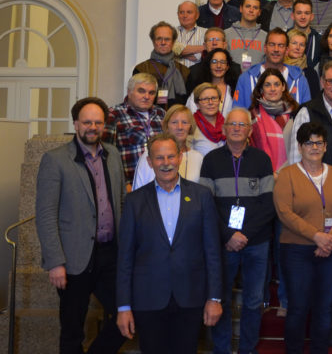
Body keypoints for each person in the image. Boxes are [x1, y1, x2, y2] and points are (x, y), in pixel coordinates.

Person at [115, 133, 223, 354]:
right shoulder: (134, 202)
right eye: (159, 158)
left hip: (190, 298)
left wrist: (214, 298)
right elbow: (125, 258)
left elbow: (212, 252)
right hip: (148, 300)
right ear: (149, 162)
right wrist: (123, 307)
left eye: (171, 156)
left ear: (180, 157)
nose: (166, 163)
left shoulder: (202, 196)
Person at [36, 97, 126, 354]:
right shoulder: (55, 160)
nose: (93, 127)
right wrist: (55, 262)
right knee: (72, 330)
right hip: (73, 258)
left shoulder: (113, 155)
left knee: (128, 314)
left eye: (98, 122)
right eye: (87, 122)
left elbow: (120, 201)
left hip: (110, 255)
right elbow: (45, 214)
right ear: (76, 124)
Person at [199, 108, 276, 354]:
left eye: (242, 125)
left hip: (257, 242)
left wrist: (245, 235)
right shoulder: (211, 161)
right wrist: (229, 235)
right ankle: (221, 349)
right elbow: (206, 205)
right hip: (224, 243)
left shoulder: (262, 159)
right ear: (224, 129)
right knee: (220, 298)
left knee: (253, 301)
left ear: (249, 130)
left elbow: (269, 204)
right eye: (232, 124)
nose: (236, 128)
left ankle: (248, 349)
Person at [273, 122, 332, 354]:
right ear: (300, 146)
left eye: (319, 142)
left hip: (331, 250)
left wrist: (331, 238)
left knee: (323, 306)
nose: (314, 147)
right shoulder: (287, 175)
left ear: (326, 146)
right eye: (309, 142)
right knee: (298, 307)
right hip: (296, 251)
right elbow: (284, 213)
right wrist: (317, 236)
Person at [104, 73, 164, 185]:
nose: (146, 96)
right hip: (130, 185)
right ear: (129, 92)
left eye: (151, 93)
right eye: (141, 91)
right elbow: (106, 155)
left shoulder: (161, 114)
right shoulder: (113, 114)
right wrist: (123, 185)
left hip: (161, 184)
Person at [233, 28, 312, 108]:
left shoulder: (300, 80)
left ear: (287, 50)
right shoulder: (245, 78)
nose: (276, 49)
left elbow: (307, 115)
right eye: (272, 44)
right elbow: (236, 112)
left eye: (280, 45)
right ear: (265, 48)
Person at [132, 104, 203, 190]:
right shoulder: (150, 155)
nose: (180, 127)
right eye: (174, 122)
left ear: (190, 126)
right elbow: (138, 192)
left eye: (184, 122)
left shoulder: (198, 158)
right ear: (166, 126)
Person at [248, 67, 299, 171]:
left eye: (277, 84)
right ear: (261, 89)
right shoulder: (251, 116)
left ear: (283, 87)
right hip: (260, 174)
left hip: (289, 174)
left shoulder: (296, 113)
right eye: (267, 85)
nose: (272, 89)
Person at [133, 20, 189, 107]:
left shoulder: (184, 71)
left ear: (173, 42)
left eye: (167, 39)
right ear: (153, 41)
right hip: (150, 117)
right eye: (159, 39)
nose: (163, 43)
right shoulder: (141, 69)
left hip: (176, 118)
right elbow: (135, 98)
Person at [185, 27, 242, 94]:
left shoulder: (235, 70)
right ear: (205, 45)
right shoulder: (194, 72)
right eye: (211, 40)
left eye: (218, 39)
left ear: (224, 45)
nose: (214, 43)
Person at [186, 48, 237, 117]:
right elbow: (191, 115)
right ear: (209, 65)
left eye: (222, 62)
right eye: (214, 61)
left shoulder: (235, 89)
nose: (218, 66)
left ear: (227, 66)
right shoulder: (199, 90)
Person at [224, 0, 266, 69]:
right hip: (232, 79)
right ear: (241, 9)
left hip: (257, 79)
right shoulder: (226, 34)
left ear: (259, 12)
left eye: (255, 8)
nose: (251, 10)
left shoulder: (266, 36)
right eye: (248, 6)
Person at [189, 82, 226, 157]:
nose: (210, 102)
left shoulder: (227, 124)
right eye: (205, 99)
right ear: (197, 104)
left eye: (214, 98)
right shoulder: (191, 126)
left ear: (219, 101)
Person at [286, 28, 321, 96]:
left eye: (302, 45)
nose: (298, 47)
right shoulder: (277, 68)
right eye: (294, 43)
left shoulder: (311, 73)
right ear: (287, 45)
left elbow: (315, 101)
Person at [292, 0, 323, 68]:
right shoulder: (284, 37)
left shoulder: (320, 40)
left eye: (307, 13)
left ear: (312, 16)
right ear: (292, 16)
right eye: (299, 13)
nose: (303, 17)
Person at [174, 0, 206, 67]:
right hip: (175, 75)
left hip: (197, 76)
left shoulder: (206, 33)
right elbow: (172, 50)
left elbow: (207, 56)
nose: (185, 15)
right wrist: (204, 47)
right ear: (177, 15)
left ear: (197, 15)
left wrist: (179, 52)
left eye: (189, 12)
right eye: (181, 12)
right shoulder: (170, 32)